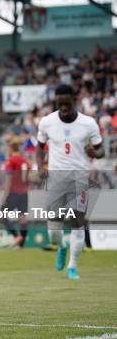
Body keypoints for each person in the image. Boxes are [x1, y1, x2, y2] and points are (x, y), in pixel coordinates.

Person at [36, 84, 104, 280]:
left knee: (77, 223)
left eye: (67, 103)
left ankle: (72, 267)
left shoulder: (88, 123)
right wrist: (40, 166)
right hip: (55, 178)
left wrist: (95, 153)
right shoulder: (47, 122)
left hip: (79, 178)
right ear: (56, 101)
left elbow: (101, 150)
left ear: (74, 100)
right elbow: (40, 147)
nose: (63, 108)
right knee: (53, 232)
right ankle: (62, 246)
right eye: (60, 104)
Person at [1, 140, 30, 248]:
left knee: (2, 215)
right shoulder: (25, 161)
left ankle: (16, 236)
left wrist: (5, 195)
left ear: (11, 149)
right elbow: (29, 177)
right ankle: (21, 245)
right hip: (24, 192)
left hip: (13, 192)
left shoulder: (11, 161)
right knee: (22, 218)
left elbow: (9, 178)